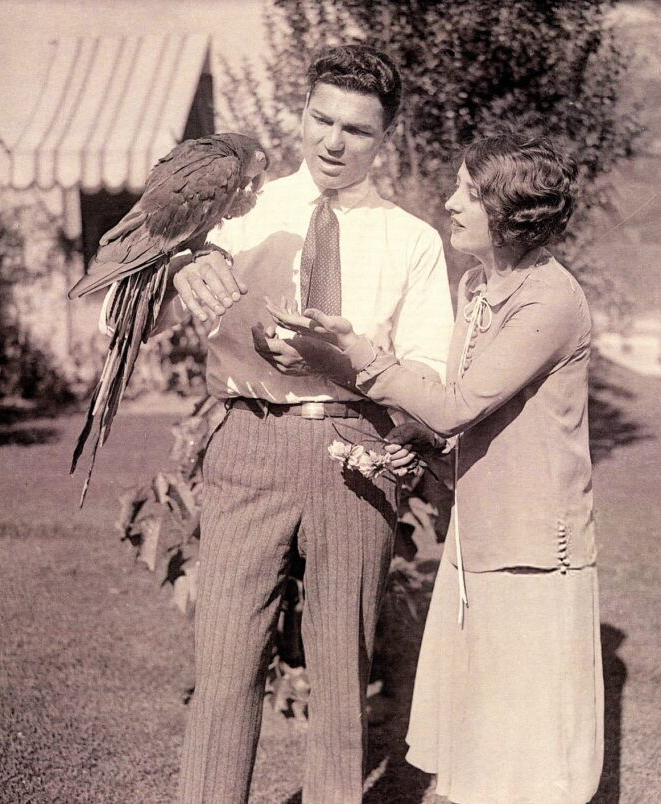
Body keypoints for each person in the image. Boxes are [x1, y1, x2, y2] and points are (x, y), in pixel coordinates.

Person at [152, 45, 454, 803]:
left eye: (356, 130)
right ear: (302, 112)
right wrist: (177, 268)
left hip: (355, 451)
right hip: (245, 439)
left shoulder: (411, 240)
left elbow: (431, 380)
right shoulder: (236, 209)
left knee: (342, 674)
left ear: (384, 138)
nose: (332, 142)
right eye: (321, 118)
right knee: (224, 666)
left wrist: (352, 355)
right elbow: (123, 322)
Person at [270, 133, 604, 803]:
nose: (450, 203)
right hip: (480, 540)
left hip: (532, 551)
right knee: (482, 746)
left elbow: (456, 404)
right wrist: (417, 435)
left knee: (527, 756)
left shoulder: (549, 301)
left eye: (469, 193)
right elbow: (465, 414)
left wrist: (359, 353)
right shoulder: (480, 288)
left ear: (509, 214)